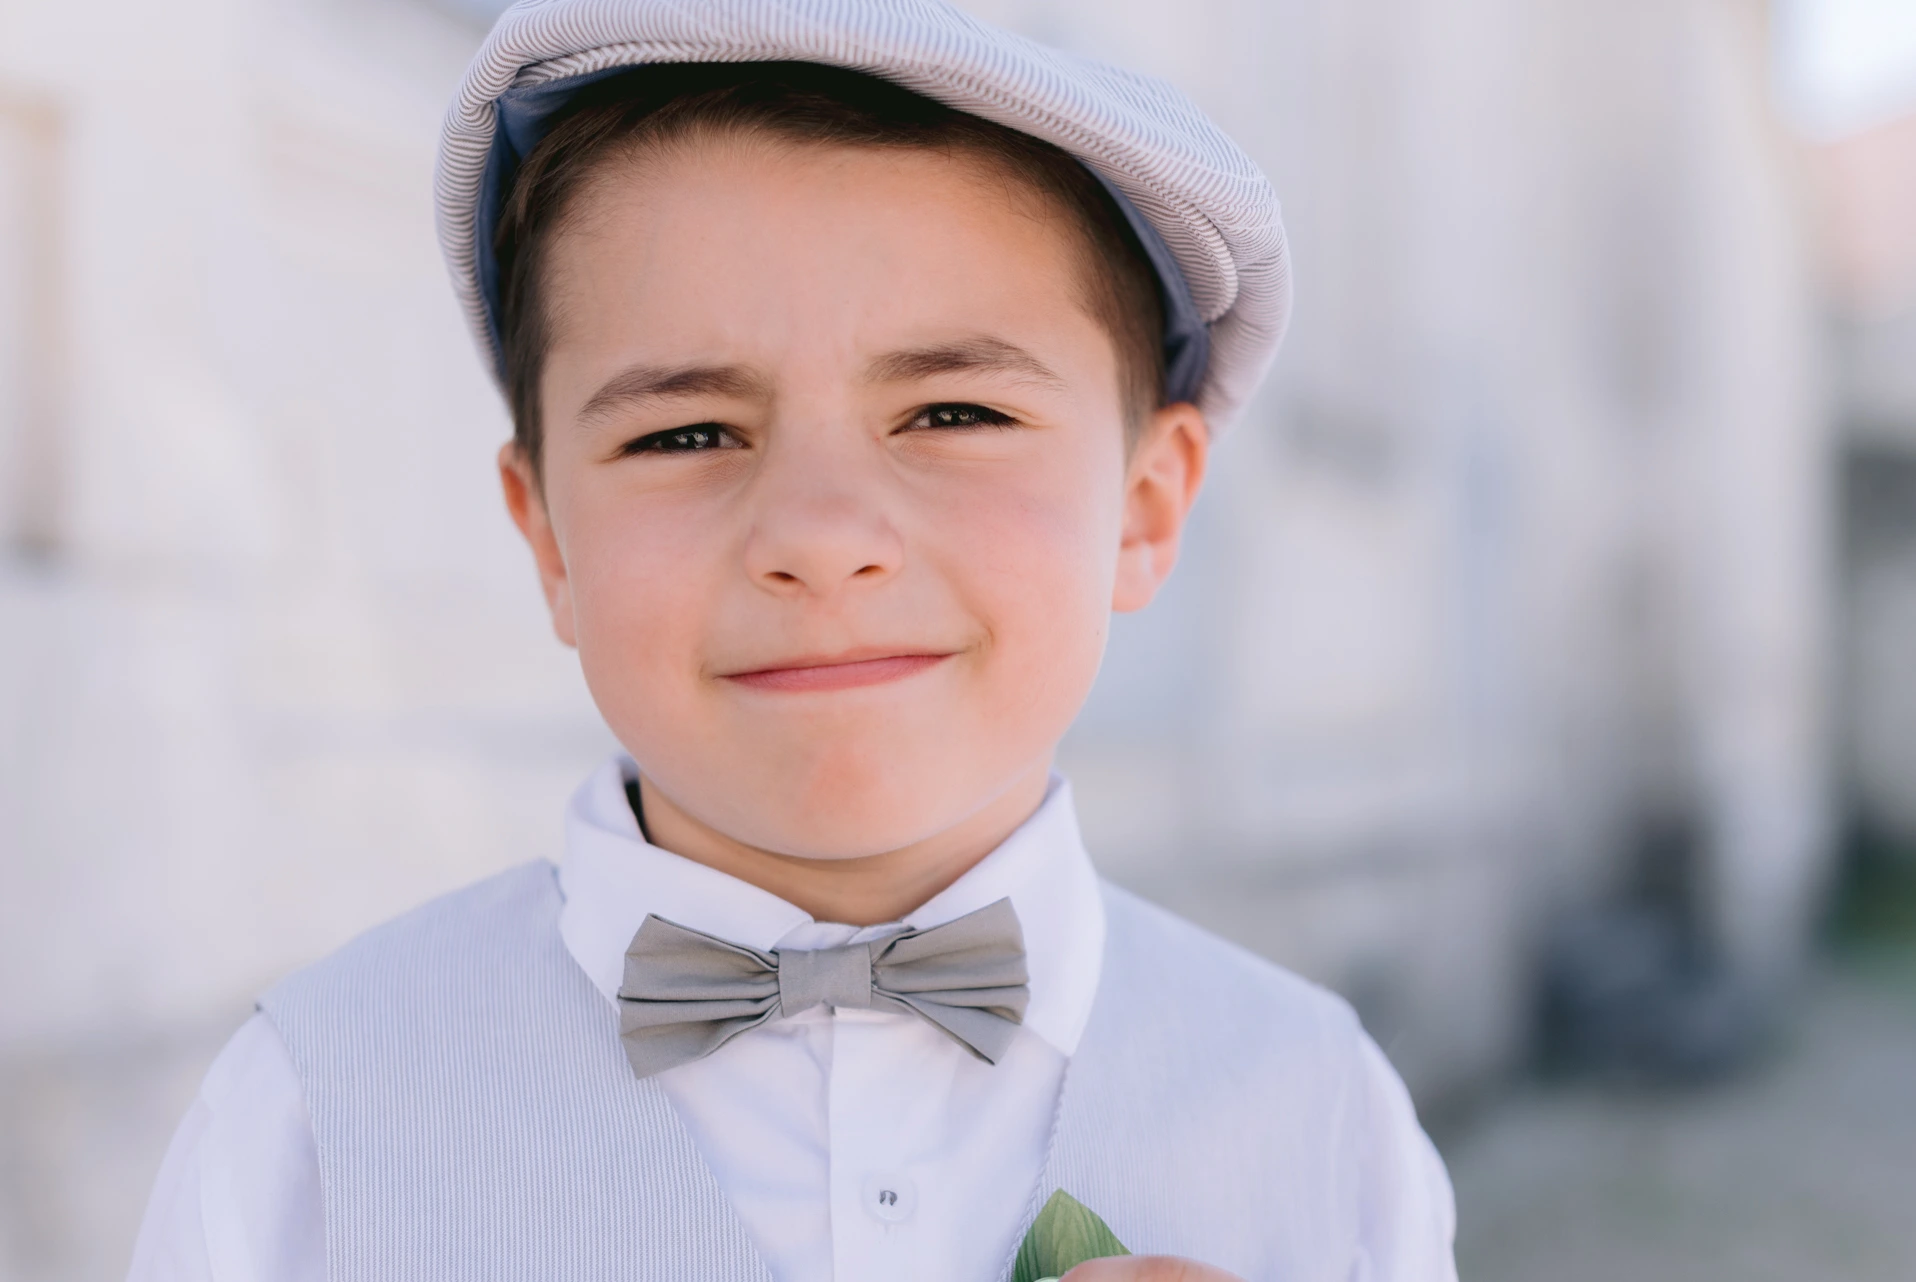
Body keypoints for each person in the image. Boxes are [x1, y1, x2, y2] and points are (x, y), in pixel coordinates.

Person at [128, 3, 1456, 1280]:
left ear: (1148, 507)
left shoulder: (1319, 1113)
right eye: (684, 434)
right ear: (549, 543)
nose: (822, 534)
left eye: (953, 413)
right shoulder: (310, 1116)